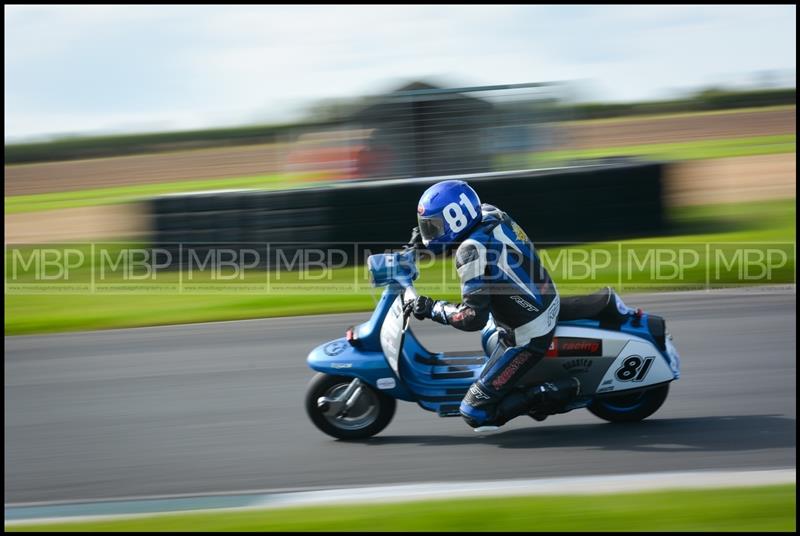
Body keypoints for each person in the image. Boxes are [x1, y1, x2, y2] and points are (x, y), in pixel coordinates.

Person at [405, 179, 580, 431]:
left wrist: (432, 308)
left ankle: (549, 392)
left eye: (434, 226)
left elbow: (472, 318)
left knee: (474, 412)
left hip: (528, 332)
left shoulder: (470, 251)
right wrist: (421, 243)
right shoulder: (489, 212)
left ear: (455, 220)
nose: (430, 233)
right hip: (540, 299)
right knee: (488, 338)